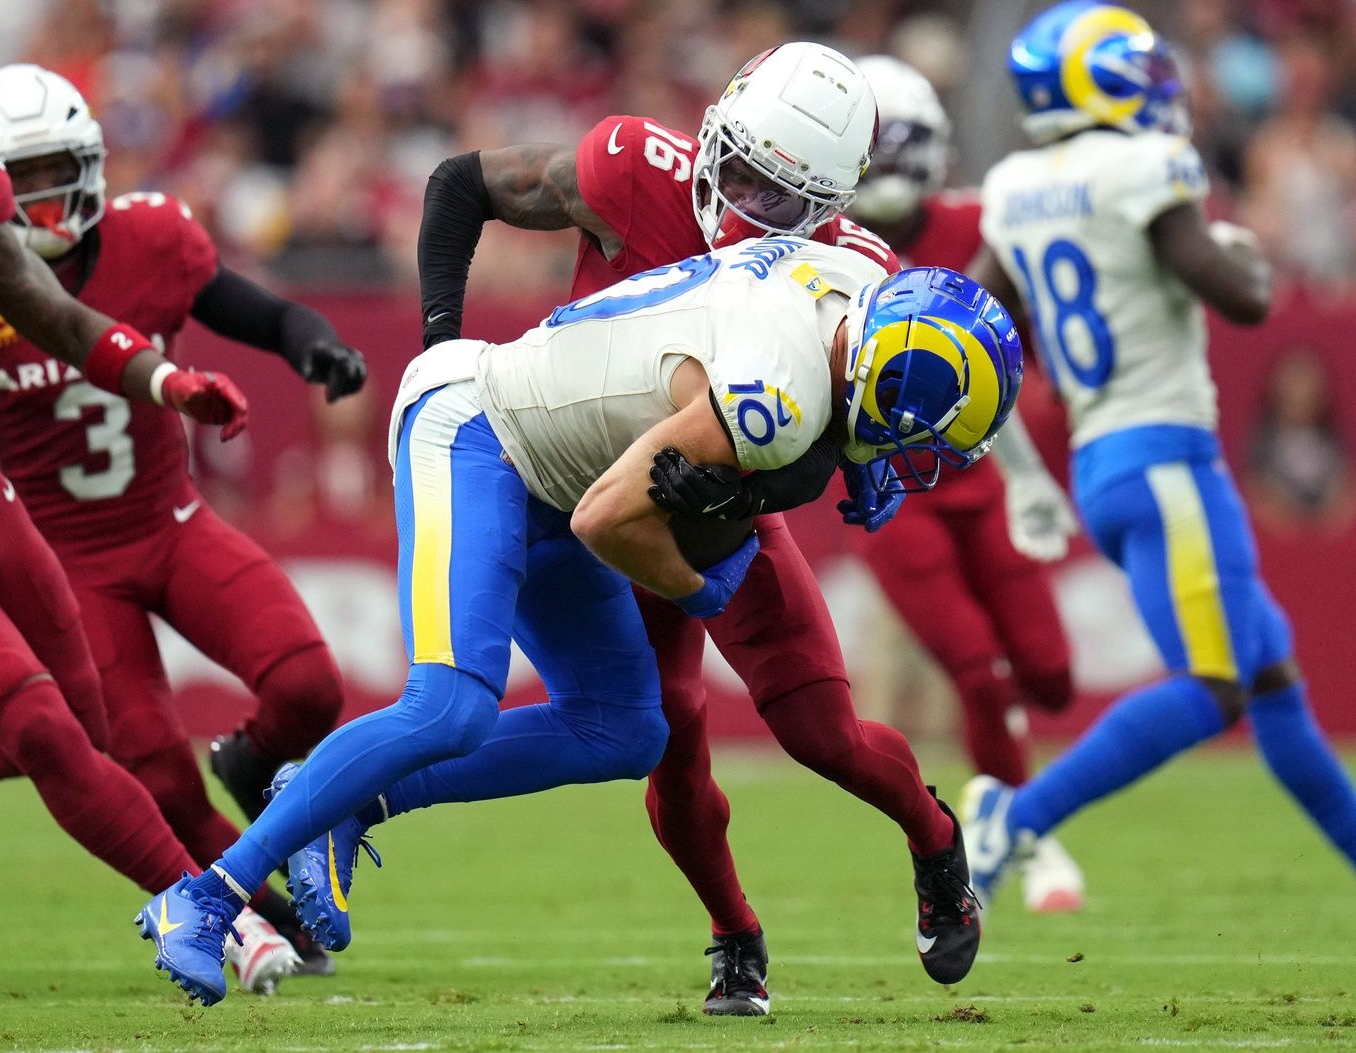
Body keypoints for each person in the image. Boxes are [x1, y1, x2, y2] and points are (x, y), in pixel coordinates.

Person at [133, 239, 1024, 1008]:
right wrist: (699, 589)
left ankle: (344, 801)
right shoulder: (777, 401)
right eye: (919, 438)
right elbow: (609, 519)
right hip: (479, 430)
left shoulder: (848, 285)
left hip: (559, 471)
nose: (914, 462)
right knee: (449, 704)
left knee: (625, 729)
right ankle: (206, 896)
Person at [410, 42, 986, 1015]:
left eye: (783, 196)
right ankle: (734, 937)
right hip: (597, 496)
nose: (750, 207)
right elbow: (459, 184)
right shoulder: (641, 167)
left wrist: (754, 490)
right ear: (717, 134)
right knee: (668, 744)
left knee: (822, 732)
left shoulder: (852, 267)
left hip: (726, 508)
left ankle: (935, 842)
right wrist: (440, 352)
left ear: (834, 201)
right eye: (746, 172)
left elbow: (844, 440)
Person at [960, 0, 1356, 936]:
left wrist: (1019, 468)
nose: (1156, 90)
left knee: (1268, 676)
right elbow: (1244, 300)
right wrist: (1234, 248)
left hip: (1106, 464)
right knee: (1213, 686)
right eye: (1136, 73)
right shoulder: (1143, 167)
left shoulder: (1017, 183)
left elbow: (974, 325)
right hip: (1168, 456)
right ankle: (1012, 818)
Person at [0, 64, 367, 971]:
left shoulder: (152, 237)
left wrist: (314, 343)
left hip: (171, 520)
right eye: (19, 181)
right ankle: (271, 913)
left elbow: (258, 312)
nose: (40, 203)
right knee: (147, 767)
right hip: (66, 558)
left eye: (53, 174)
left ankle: (248, 763)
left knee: (310, 682)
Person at [844, 54, 1083, 914]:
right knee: (979, 674)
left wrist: (1029, 475)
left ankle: (1004, 801)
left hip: (983, 479)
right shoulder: (819, 247)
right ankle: (1029, 832)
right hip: (890, 493)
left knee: (1051, 676)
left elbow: (1031, 350)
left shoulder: (984, 225)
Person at [1244, 346, 1356, 534]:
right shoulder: (1260, 446)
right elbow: (1254, 490)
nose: (1299, 391)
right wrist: (1281, 522)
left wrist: (1332, 522)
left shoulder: (1335, 444)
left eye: (1307, 383)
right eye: (1292, 383)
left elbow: (1352, 487)